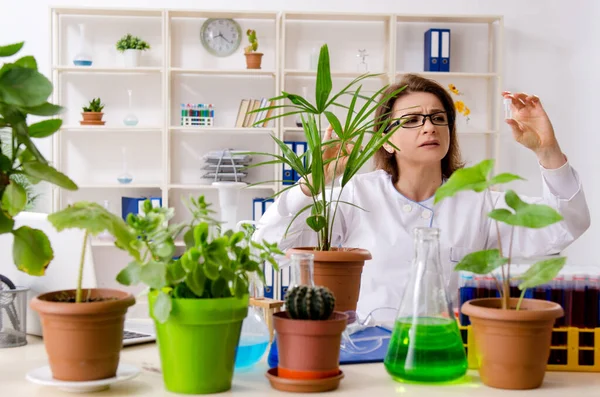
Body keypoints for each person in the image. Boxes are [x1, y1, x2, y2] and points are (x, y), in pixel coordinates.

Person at [253, 73, 591, 318]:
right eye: (412, 120)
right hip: (369, 350)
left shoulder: (478, 201)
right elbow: (269, 247)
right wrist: (312, 184)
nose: (429, 127)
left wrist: (548, 152)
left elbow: (564, 226)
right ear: (385, 140)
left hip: (449, 352)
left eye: (438, 118)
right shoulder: (356, 196)